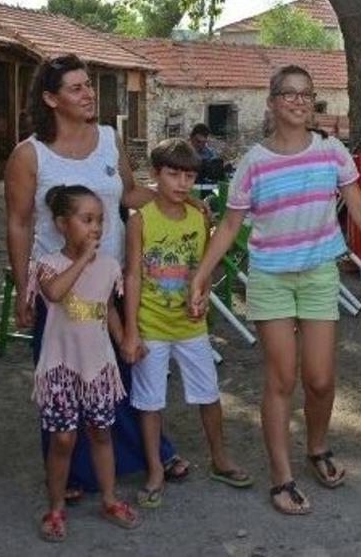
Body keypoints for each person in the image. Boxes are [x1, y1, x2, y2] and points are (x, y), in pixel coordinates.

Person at [189, 65, 361, 516]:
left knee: (320, 378)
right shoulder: (254, 162)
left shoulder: (332, 153)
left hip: (318, 275)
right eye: (287, 94)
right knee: (280, 378)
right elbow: (231, 224)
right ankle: (281, 476)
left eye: (305, 93)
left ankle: (317, 447)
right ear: (272, 103)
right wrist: (200, 276)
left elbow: (358, 206)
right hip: (271, 278)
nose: (297, 100)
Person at [4, 54, 187, 500]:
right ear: (50, 98)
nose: (89, 94)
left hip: (114, 281)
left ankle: (147, 453)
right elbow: (19, 222)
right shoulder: (29, 155)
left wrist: (177, 198)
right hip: (62, 291)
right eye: (76, 88)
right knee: (66, 376)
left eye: (89, 85)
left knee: (122, 371)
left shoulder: (109, 139)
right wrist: (25, 290)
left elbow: (127, 193)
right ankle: (67, 476)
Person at [122, 139, 251, 509]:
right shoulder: (140, 221)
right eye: (173, 174)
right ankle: (154, 469)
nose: (181, 183)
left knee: (208, 394)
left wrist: (203, 297)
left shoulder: (200, 216)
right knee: (149, 402)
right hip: (151, 325)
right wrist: (131, 329)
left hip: (191, 326)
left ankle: (220, 459)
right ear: (156, 175)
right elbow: (132, 276)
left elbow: (203, 266)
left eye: (189, 175)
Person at [32, 185, 141, 541]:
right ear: (62, 224)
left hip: (98, 368)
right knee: (62, 439)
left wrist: (126, 336)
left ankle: (109, 499)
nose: (96, 227)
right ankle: (56, 506)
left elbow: (107, 307)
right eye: (87, 219)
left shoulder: (109, 266)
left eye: (101, 221)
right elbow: (55, 293)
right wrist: (81, 259)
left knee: (101, 433)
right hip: (61, 368)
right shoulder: (47, 265)